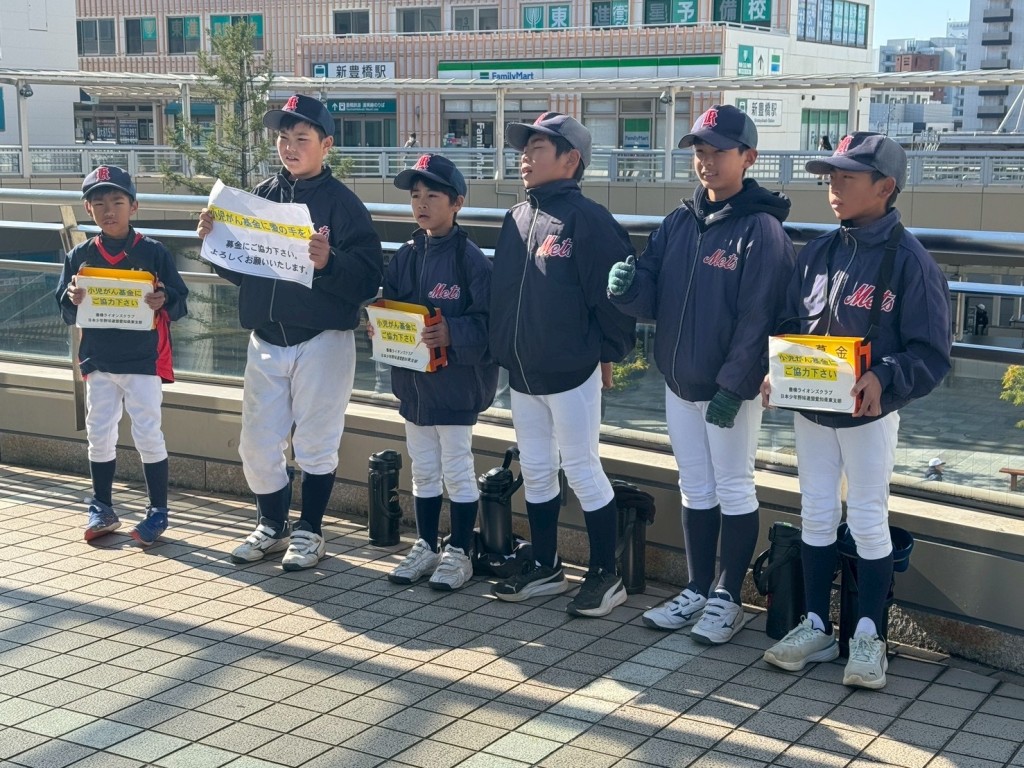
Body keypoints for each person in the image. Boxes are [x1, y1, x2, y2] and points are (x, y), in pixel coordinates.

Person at [761, 132, 952, 689]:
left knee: (868, 517)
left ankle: (869, 635)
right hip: (812, 410)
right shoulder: (818, 252)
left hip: (870, 414)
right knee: (817, 512)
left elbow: (932, 354)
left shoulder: (911, 262)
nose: (834, 187)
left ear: (886, 187)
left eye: (847, 177)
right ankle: (817, 625)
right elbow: (792, 325)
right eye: (831, 176)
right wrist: (778, 369)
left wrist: (884, 376)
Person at [608, 105, 795, 644]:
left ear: (748, 157)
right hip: (679, 382)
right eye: (700, 151)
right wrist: (627, 289)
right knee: (694, 486)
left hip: (727, 390)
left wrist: (734, 387)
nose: (707, 162)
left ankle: (727, 596)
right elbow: (653, 294)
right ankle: (696, 586)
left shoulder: (761, 231)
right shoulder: (679, 221)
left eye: (719, 152)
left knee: (734, 487)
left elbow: (760, 318)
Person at [196, 94, 383, 571]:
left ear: (326, 145)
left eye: (301, 138)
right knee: (256, 443)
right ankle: (272, 525)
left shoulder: (344, 204)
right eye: (283, 138)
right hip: (266, 337)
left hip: (323, 338)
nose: (290, 147)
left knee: (317, 442)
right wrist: (215, 244)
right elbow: (246, 272)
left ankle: (310, 531)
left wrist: (330, 262)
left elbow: (368, 279)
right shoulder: (260, 196)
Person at [488, 112, 637, 617]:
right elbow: (502, 294)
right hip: (523, 372)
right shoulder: (516, 218)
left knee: (582, 467)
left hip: (572, 371)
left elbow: (613, 300)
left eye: (537, 149)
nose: (525, 159)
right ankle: (546, 565)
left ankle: (606, 575)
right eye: (524, 150)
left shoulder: (589, 220)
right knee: (535, 468)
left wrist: (608, 354)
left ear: (571, 159)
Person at [372, 154, 498, 590]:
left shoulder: (471, 260)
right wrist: (377, 324)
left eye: (432, 196)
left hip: (457, 387)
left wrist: (452, 331)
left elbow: (491, 326)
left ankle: (459, 551)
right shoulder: (405, 256)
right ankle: (426, 544)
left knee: (457, 468)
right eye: (415, 196)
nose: (422, 204)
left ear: (457, 202)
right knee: (423, 469)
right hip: (413, 387)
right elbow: (391, 310)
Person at [56, 165, 189, 545]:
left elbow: (180, 302)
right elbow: (65, 310)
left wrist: (164, 298)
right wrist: (72, 298)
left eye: (117, 201)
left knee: (147, 432)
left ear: (134, 206)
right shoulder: (80, 255)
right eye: (99, 204)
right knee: (99, 432)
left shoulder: (153, 252)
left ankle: (158, 511)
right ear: (88, 209)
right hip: (98, 358)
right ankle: (101, 506)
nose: (109, 210)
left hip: (143, 359)